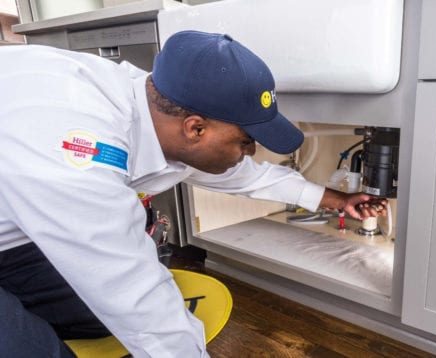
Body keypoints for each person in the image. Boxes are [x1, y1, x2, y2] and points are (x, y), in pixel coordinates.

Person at [0, 30, 387, 357]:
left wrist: (332, 199)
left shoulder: (152, 105)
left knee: (92, 313)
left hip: (14, 235)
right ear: (196, 128)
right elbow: (132, 291)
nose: (249, 152)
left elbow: (239, 174)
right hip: (27, 214)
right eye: (246, 141)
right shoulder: (75, 146)